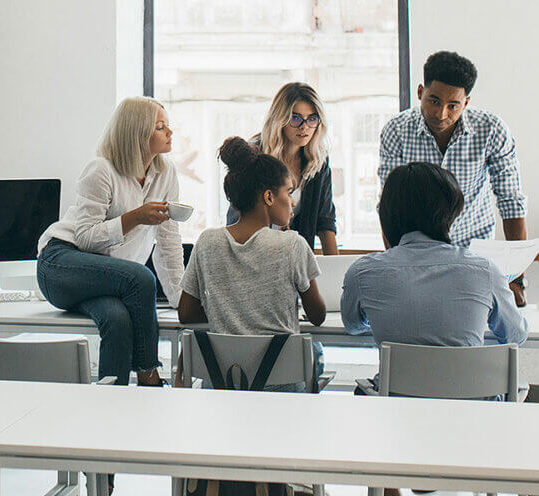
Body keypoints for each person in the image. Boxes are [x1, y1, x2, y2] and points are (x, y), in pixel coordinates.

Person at [36, 96, 184, 388]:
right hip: (61, 263)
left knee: (117, 320)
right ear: (138, 132)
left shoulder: (166, 175)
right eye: (160, 126)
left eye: (168, 125)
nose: (170, 132)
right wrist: (135, 218)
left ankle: (110, 403)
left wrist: (181, 302)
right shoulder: (101, 170)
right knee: (140, 277)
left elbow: (168, 243)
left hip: (110, 277)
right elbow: (85, 238)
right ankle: (149, 375)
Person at [379, 51, 528, 305]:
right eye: (434, 101)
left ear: (466, 103)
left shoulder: (491, 130)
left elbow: (511, 202)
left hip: (476, 258)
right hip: (417, 259)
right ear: (419, 93)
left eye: (453, 106)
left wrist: (516, 280)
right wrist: (397, 266)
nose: (441, 114)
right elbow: (389, 205)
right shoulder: (397, 130)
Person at [342, 161, 527, 349]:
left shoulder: (362, 272)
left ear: (387, 213)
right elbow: (515, 335)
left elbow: (353, 326)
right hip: (468, 379)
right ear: (450, 214)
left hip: (398, 379)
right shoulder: (485, 270)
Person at [179, 136, 326, 346]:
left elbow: (186, 313)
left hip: (224, 374)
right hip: (280, 375)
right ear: (269, 197)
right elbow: (317, 316)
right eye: (288, 192)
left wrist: (230, 312)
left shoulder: (207, 242)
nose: (292, 201)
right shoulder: (292, 245)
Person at [226, 82, 338, 254]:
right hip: (253, 254)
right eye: (296, 118)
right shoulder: (255, 155)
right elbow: (238, 218)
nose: (304, 126)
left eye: (312, 118)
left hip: (296, 259)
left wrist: (337, 274)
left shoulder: (319, 160)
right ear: (280, 119)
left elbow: (325, 222)